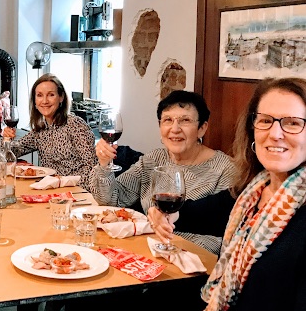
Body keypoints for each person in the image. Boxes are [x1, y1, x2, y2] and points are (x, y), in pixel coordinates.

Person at [81, 77, 306, 311]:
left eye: (293, 123)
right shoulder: (251, 193)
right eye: (266, 120)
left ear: (202, 127)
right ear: (252, 129)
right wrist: (166, 214)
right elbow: (195, 211)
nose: (276, 132)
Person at [88, 90, 235, 253]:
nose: (175, 129)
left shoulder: (225, 169)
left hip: (190, 263)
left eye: (185, 120)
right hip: (143, 250)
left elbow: (222, 240)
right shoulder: (153, 160)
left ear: (202, 128)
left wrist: (168, 246)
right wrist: (104, 165)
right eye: (168, 120)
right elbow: (111, 200)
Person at [3, 73, 97, 189]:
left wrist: (64, 183)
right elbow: (11, 154)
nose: (45, 101)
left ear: (61, 97)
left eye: (51, 95)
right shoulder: (40, 129)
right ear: (35, 101)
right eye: (39, 95)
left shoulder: (75, 125)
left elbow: (93, 168)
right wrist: (7, 139)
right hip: (50, 191)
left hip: (78, 192)